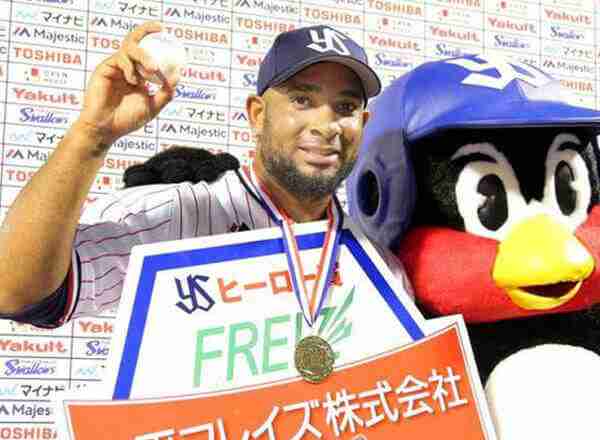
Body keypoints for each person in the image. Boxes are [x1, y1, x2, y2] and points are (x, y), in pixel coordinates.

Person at [0, 21, 409, 328]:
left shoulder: (380, 266)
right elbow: (15, 291)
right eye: (302, 100)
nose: (325, 125)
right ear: (258, 115)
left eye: (345, 107)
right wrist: (91, 135)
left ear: (363, 124)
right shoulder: (176, 215)